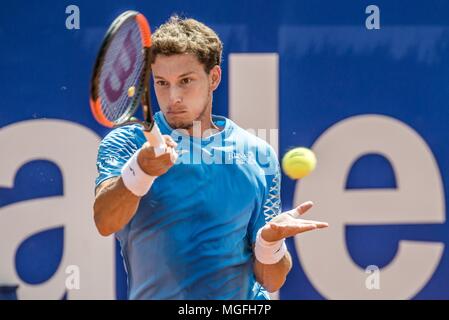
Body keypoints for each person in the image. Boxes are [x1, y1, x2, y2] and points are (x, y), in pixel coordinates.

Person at [93, 15, 328, 300]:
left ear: (214, 77)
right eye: (162, 83)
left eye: (185, 81)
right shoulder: (127, 143)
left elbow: (271, 280)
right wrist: (141, 170)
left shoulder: (257, 153)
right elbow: (105, 221)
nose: (173, 97)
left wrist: (269, 245)